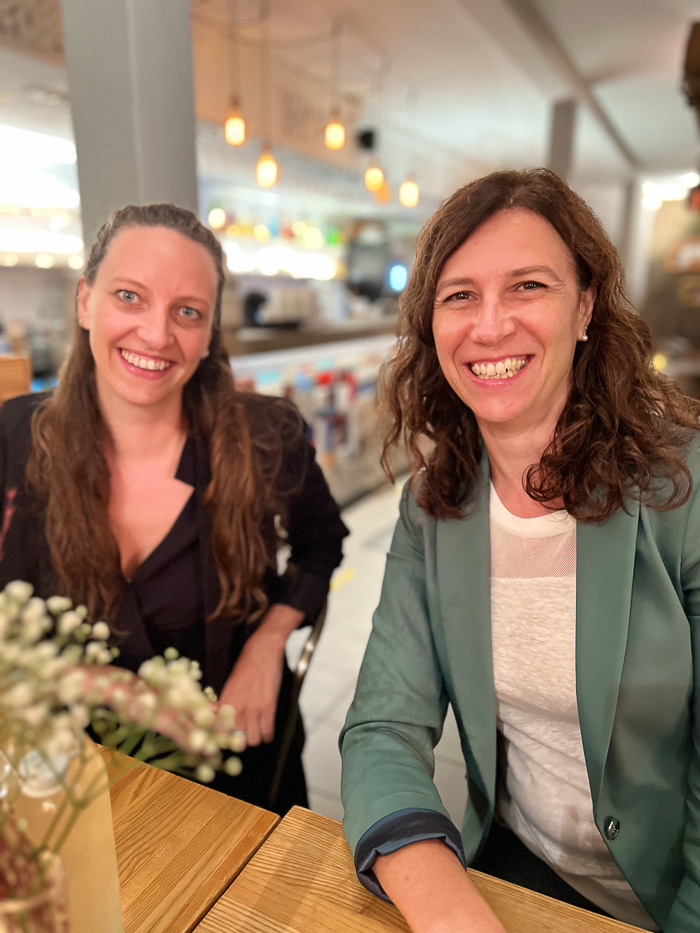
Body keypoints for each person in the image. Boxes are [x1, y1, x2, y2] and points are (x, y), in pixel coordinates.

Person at [340, 168, 700, 933]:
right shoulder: (431, 507)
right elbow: (383, 728)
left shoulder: (684, 490)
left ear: (586, 306)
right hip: (510, 872)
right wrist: (450, 911)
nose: (491, 325)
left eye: (527, 285)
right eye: (460, 294)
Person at [0, 202, 348, 813]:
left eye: (187, 312)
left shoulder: (266, 438)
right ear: (86, 301)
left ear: (210, 331)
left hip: (236, 769)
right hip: (72, 772)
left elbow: (323, 545)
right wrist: (99, 684)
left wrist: (269, 643)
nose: (157, 335)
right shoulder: (15, 437)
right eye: (129, 296)